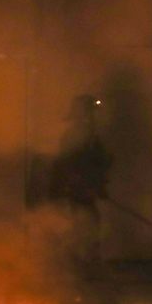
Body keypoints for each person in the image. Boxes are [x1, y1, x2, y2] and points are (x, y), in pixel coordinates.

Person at [48, 95, 114, 277]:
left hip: (85, 192)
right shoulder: (74, 137)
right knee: (83, 230)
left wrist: (98, 184)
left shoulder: (91, 136)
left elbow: (99, 164)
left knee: (90, 228)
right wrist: (81, 185)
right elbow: (67, 166)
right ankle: (76, 272)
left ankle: (86, 270)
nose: (92, 117)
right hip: (77, 193)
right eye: (89, 113)